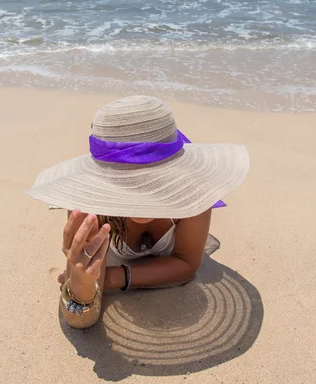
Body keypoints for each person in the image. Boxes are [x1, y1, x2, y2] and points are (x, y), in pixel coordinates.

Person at [27, 95, 249, 329]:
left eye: (152, 180)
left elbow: (187, 264)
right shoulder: (90, 208)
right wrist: (82, 283)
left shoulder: (192, 193)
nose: (141, 198)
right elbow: (81, 320)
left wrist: (108, 279)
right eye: (127, 181)